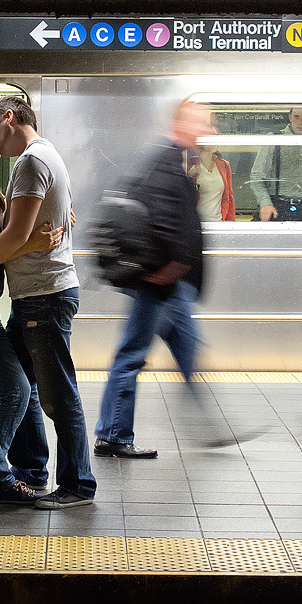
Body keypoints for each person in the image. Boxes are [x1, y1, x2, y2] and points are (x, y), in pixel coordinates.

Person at [0, 97, 96, 510]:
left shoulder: (30, 162)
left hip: (43, 296)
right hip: (31, 297)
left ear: (8, 118)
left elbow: (12, 234)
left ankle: (77, 484)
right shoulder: (38, 158)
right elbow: (20, 225)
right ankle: (22, 471)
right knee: (22, 389)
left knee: (57, 394)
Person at [94, 98, 216, 458]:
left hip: (167, 285)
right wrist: (173, 265)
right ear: (182, 124)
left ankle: (208, 423)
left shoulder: (171, 160)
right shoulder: (167, 161)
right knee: (132, 353)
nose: (209, 130)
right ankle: (113, 434)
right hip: (160, 284)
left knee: (188, 349)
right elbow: (163, 219)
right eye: (203, 122)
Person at [250, 106, 302, 221]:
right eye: (296, 117)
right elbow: (256, 177)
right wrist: (265, 203)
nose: (300, 121)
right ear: (290, 118)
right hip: (277, 207)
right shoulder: (275, 139)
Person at [189, 145, 235, 222]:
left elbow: (229, 196)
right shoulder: (191, 164)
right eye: (209, 138)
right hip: (197, 223)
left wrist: (231, 223)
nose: (213, 141)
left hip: (218, 221)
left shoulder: (224, 165)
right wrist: (189, 176)